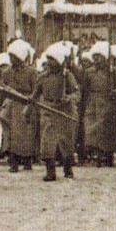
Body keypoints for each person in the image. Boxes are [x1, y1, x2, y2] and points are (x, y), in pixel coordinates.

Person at [34, 44, 80, 182]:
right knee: (47, 141)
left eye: (52, 59)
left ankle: (67, 168)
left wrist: (70, 98)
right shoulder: (42, 77)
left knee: (66, 143)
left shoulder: (68, 76)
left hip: (64, 112)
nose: (49, 62)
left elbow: (77, 93)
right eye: (48, 59)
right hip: (48, 110)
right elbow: (35, 94)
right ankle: (50, 171)